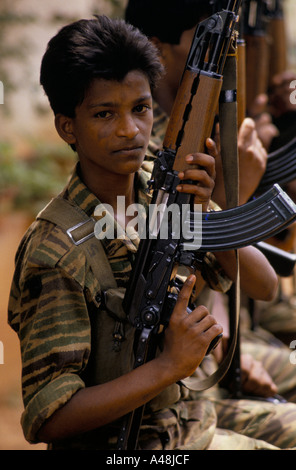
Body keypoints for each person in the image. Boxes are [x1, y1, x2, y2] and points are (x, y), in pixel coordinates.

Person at [7, 14, 295, 451]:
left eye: (140, 109)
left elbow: (264, 285)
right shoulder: (57, 249)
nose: (130, 130)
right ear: (68, 126)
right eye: (105, 114)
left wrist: (203, 210)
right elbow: (50, 418)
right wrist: (169, 366)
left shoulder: (158, 192)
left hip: (189, 419)